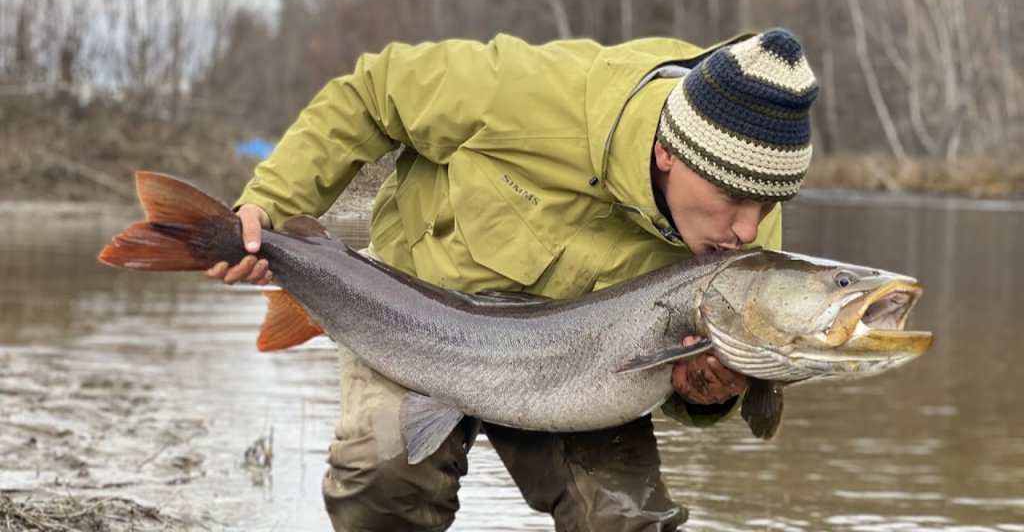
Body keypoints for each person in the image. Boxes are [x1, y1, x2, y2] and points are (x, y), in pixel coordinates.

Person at [206, 28, 818, 531]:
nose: (747, 230)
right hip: (411, 319)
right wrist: (268, 204)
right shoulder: (530, 94)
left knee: (626, 522)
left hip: (576, 378)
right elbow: (367, 95)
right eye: (732, 200)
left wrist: (708, 393)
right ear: (668, 153)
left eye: (766, 207)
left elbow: (674, 378)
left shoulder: (747, 239)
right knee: (383, 476)